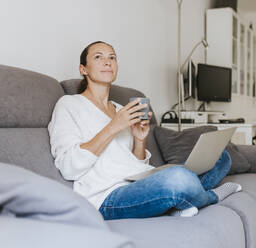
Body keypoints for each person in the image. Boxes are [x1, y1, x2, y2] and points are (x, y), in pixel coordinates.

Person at [48, 41, 241, 220]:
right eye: (98, 57)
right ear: (83, 69)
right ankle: (209, 196)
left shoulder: (120, 108)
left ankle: (176, 200)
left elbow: (136, 164)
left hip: (142, 180)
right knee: (179, 178)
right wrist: (113, 126)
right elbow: (68, 167)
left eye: (112, 57)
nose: (107, 62)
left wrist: (139, 139)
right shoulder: (69, 105)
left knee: (221, 158)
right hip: (108, 195)